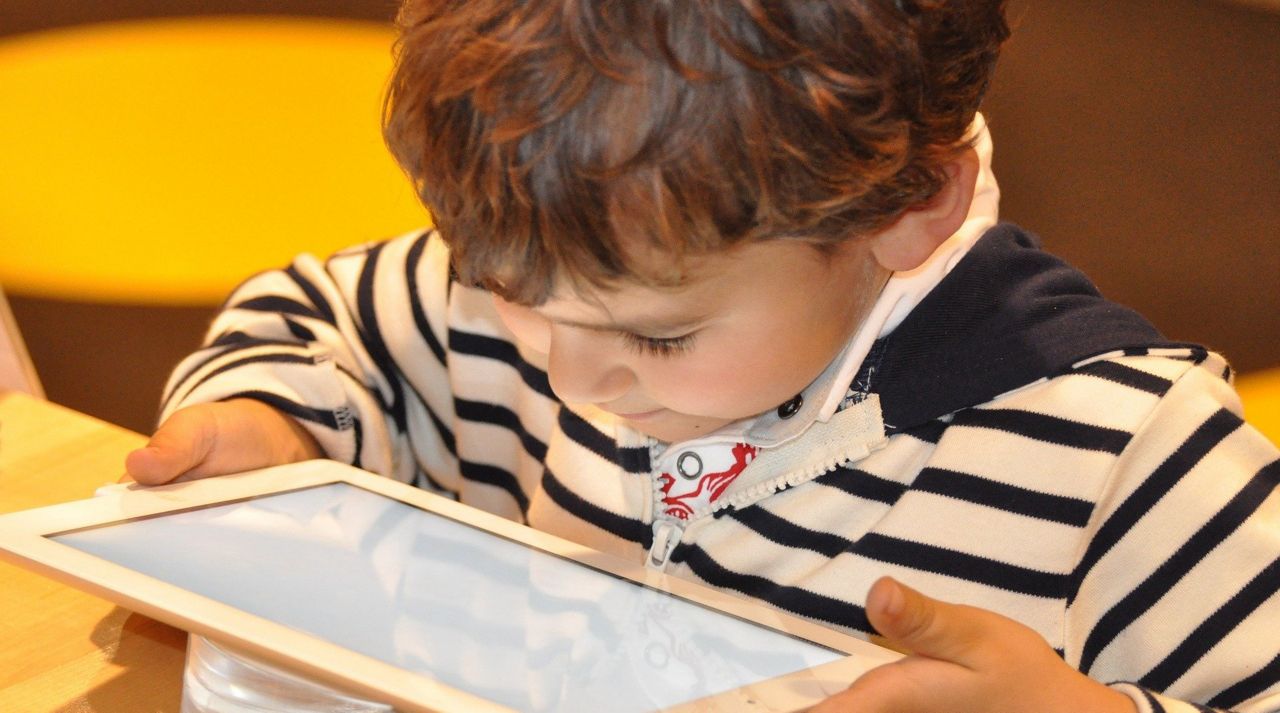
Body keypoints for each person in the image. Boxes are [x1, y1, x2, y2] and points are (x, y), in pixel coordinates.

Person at [125, 1, 1280, 711]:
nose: (572, 382)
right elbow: (328, 324)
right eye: (507, 294)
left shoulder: (1121, 459)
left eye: (658, 338)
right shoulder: (578, 277)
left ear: (916, 203)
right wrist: (269, 424)